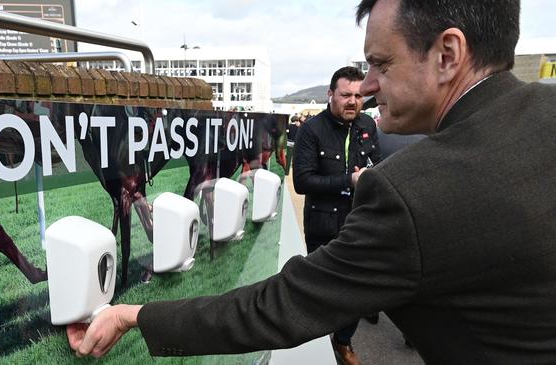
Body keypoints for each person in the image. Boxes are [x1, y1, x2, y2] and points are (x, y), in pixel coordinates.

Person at [67, 1, 556, 364]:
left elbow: (280, 307)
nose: (365, 86)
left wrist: (135, 315)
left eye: (381, 65)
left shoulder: (414, 192)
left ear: (448, 53)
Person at [292, 66, 381, 365]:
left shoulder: (368, 124)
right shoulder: (311, 130)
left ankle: (343, 343)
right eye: (345, 95)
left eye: (358, 95)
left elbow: (376, 165)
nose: (353, 101)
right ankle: (315, 346)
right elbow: (302, 182)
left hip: (360, 224)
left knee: (359, 291)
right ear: (330, 94)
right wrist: (349, 181)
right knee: (322, 292)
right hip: (322, 226)